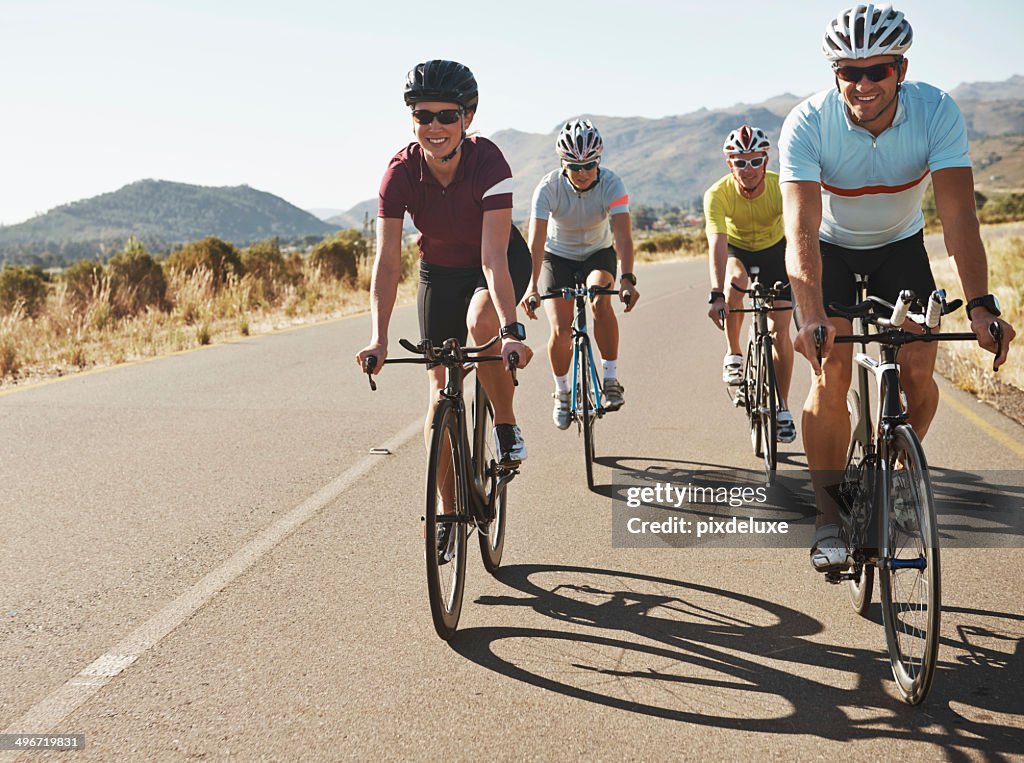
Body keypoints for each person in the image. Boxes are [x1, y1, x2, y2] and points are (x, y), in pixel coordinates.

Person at [779, 4, 1015, 571]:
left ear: (901, 70)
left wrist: (981, 304)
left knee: (916, 369)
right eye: (848, 72)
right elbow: (802, 231)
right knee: (830, 370)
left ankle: (900, 474)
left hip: (901, 247)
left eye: (876, 71)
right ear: (835, 74)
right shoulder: (808, 123)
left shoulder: (937, 111)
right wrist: (811, 315)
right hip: (830, 251)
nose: (862, 84)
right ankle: (828, 519)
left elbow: (959, 219)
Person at [355, 59, 534, 467]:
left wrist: (511, 332)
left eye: (446, 116)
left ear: (467, 117)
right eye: (422, 115)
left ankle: (505, 426)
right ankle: (445, 518)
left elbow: (492, 258)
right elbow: (386, 264)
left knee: (481, 322)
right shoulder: (399, 175)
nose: (433, 126)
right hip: (439, 271)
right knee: (439, 394)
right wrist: (378, 339)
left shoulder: (488, 163)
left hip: (499, 260)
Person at [522, 119, 639, 429]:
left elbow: (624, 238)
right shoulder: (548, 188)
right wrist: (531, 286)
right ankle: (562, 393)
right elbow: (534, 241)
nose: (583, 172)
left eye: (589, 164)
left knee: (600, 300)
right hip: (556, 256)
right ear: (563, 163)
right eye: (575, 166)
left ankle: (610, 379)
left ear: (598, 161)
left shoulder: (612, 184)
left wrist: (627, 277)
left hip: (597, 254)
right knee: (560, 329)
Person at [704, 125, 796, 443]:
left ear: (766, 160)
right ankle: (733, 353)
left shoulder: (781, 187)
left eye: (755, 160)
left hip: (775, 252)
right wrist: (716, 293)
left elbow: (800, 232)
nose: (748, 169)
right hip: (737, 249)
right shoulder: (717, 194)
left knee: (779, 331)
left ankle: (782, 406)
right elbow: (716, 242)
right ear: (730, 164)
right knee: (735, 280)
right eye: (740, 162)